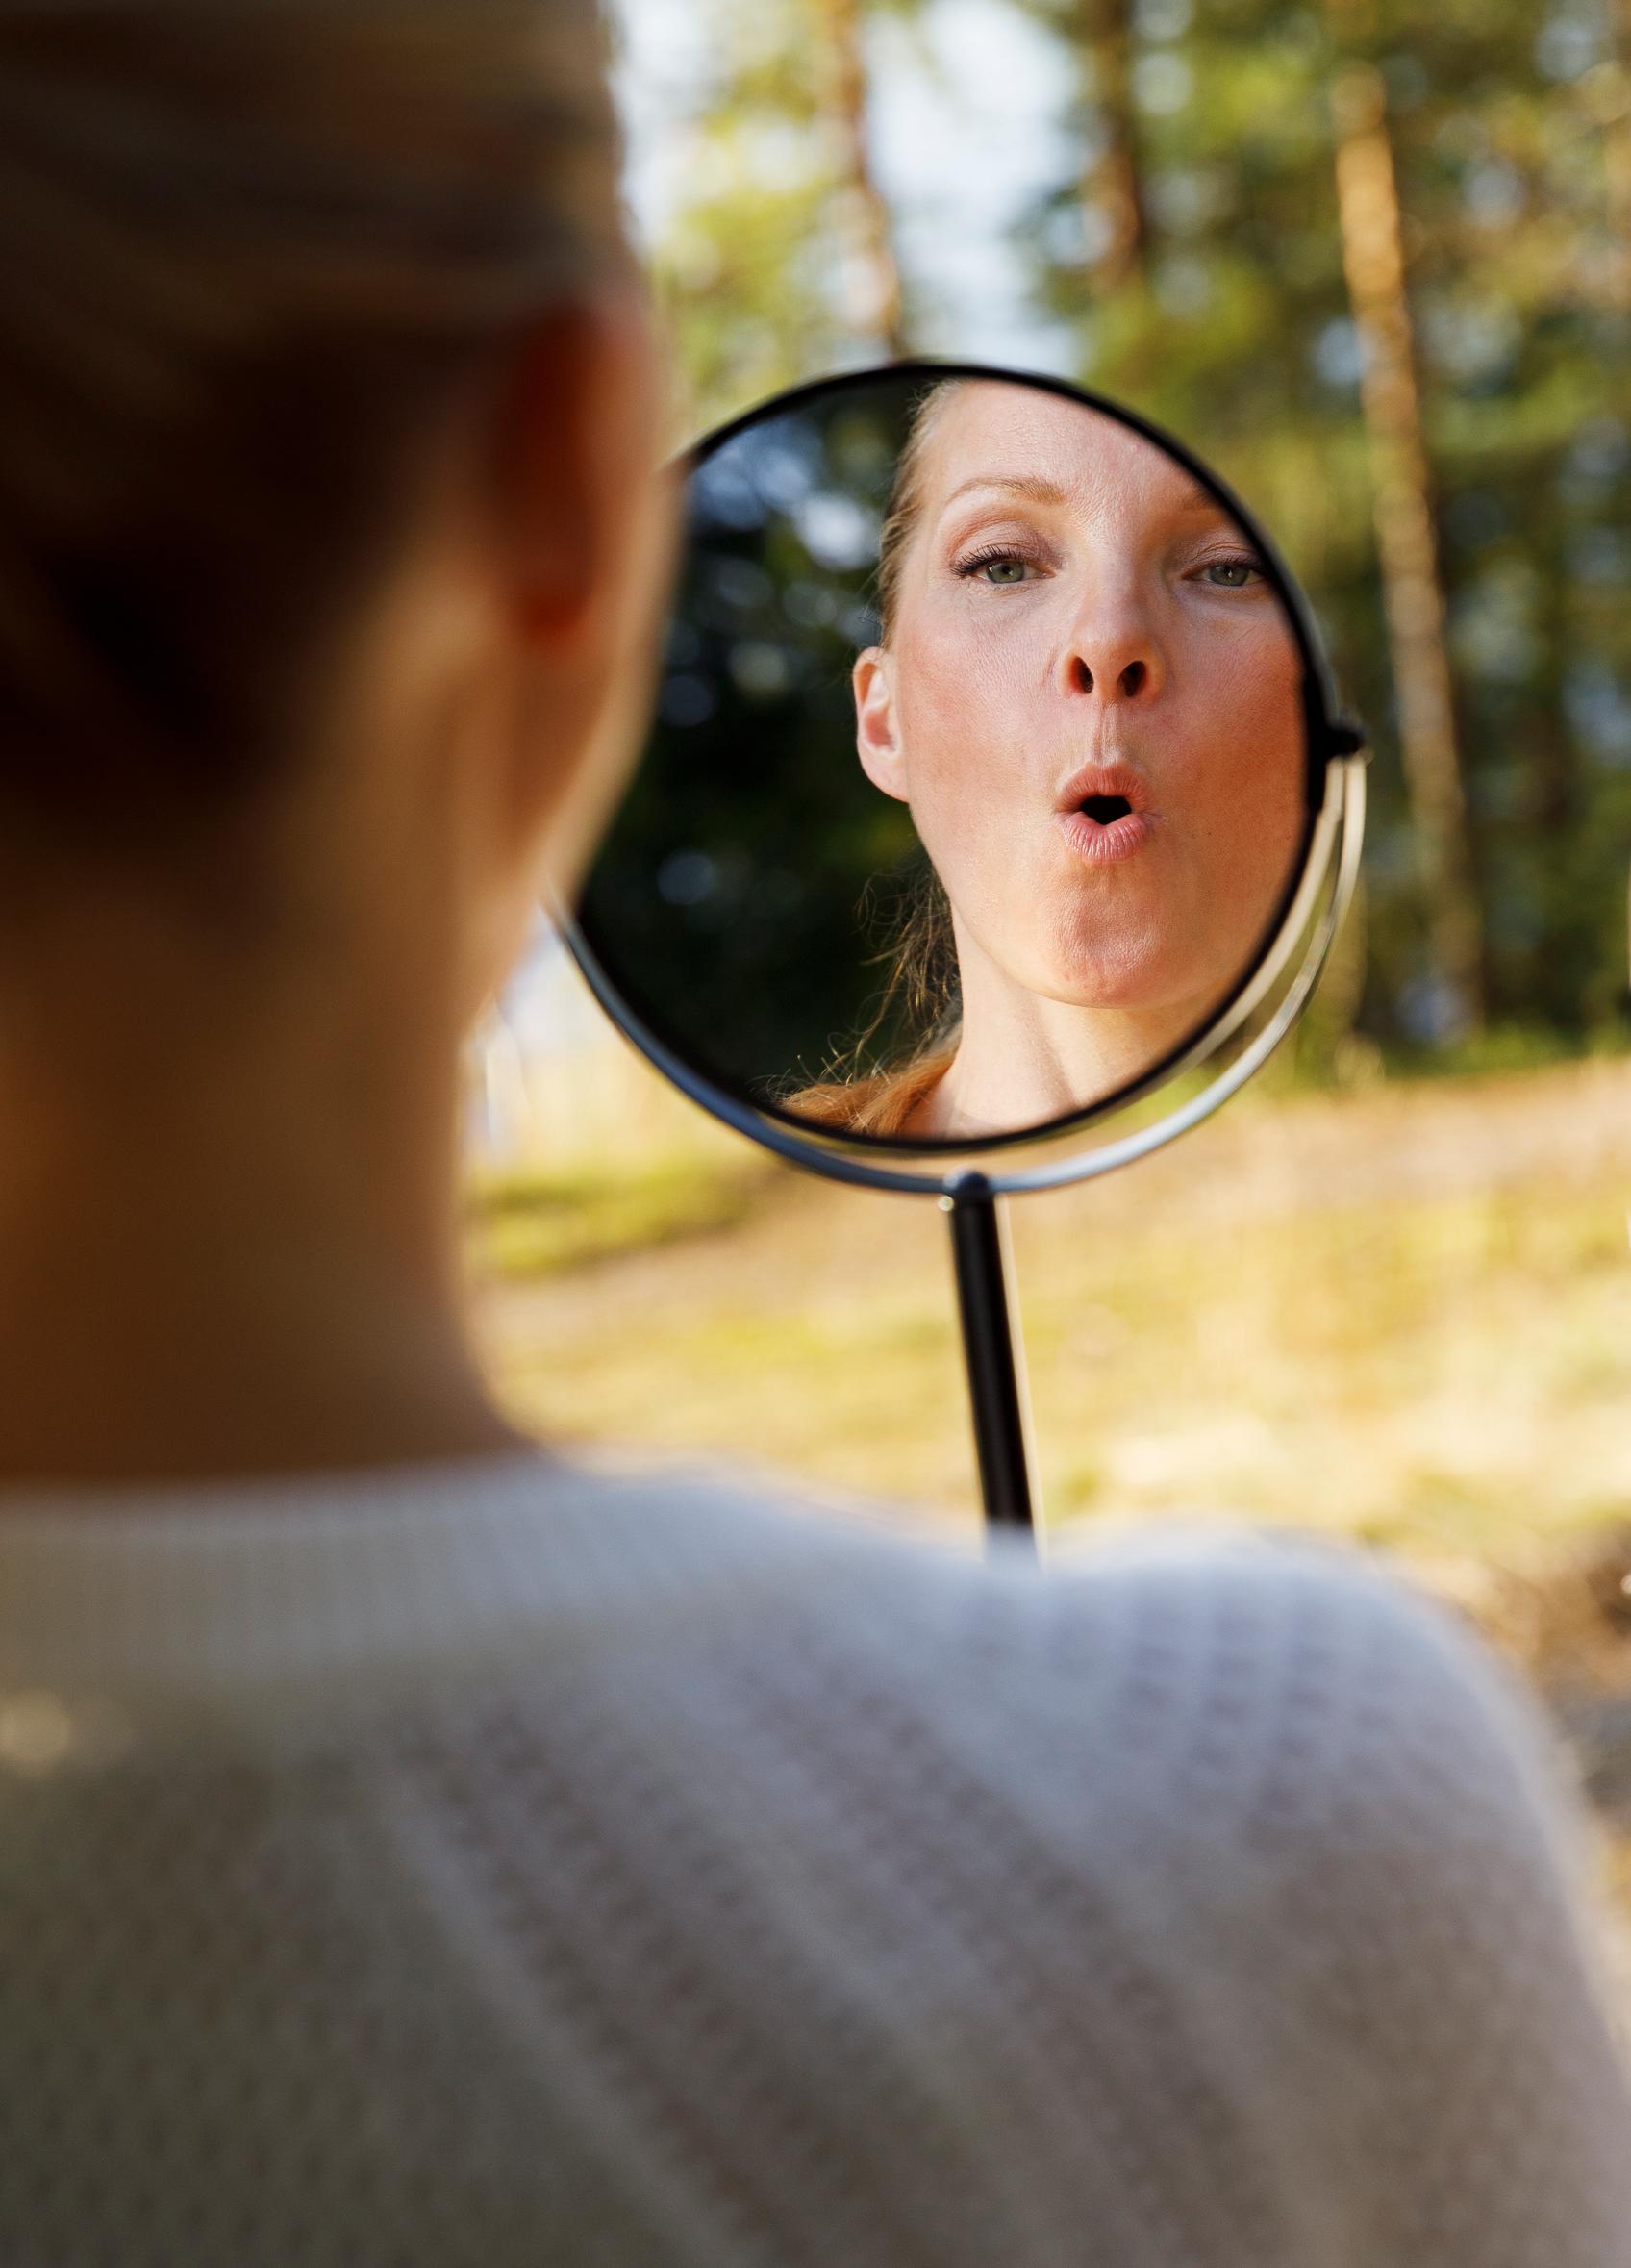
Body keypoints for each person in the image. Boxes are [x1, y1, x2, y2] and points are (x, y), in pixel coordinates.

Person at [0, 6, 1628, 2264]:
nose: (1104, 656)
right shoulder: (1274, 1801)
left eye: (1209, 570)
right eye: (996, 563)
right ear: (579, 475)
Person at [790, 378, 1308, 1137]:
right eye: (1002, 565)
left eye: (1227, 568)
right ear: (885, 720)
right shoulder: (793, 1232)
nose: (1107, 639)